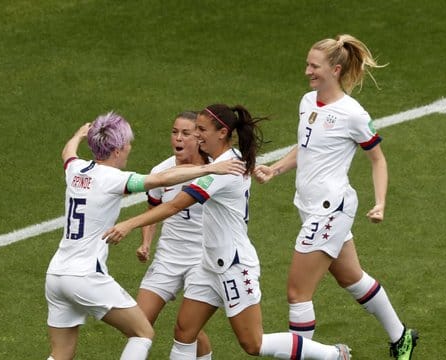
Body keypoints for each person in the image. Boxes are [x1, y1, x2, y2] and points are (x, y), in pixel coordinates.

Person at [104, 104, 352, 360]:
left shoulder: (226, 168)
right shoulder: (222, 163)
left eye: (201, 129)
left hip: (234, 266)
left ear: (221, 133)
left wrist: (128, 224)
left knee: (253, 344)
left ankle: (331, 355)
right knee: (184, 331)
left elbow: (176, 205)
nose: (196, 135)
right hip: (209, 265)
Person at [253, 34, 419, 359]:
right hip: (309, 206)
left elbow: (377, 159)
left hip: (330, 210)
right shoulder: (307, 102)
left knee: (298, 293)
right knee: (351, 277)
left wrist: (381, 201)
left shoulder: (352, 114)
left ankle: (319, 356)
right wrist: (275, 169)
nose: (307, 71)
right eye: (307, 64)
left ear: (336, 69)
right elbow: (305, 146)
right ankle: (402, 337)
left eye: (314, 66)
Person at [45, 111, 245, 360]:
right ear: (117, 150)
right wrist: (212, 169)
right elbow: (161, 178)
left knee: (61, 353)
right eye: (127, 144)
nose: (129, 148)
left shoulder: (75, 169)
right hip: (85, 276)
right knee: (142, 333)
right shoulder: (115, 179)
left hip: (55, 275)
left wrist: (77, 135)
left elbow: (67, 153)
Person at [135, 111, 213, 359]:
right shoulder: (162, 171)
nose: (178, 138)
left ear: (199, 137)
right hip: (168, 257)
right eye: (174, 132)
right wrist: (146, 242)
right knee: (138, 324)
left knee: (187, 329)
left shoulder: (214, 169)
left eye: (186, 133)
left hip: (203, 260)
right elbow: (154, 209)